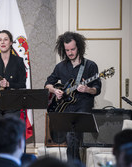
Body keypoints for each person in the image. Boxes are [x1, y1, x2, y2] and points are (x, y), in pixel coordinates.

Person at [45, 31, 101, 161]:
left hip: (83, 108)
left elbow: (96, 89)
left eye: (73, 49)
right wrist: (55, 90)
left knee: (72, 136)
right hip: (66, 109)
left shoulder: (90, 66)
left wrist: (87, 89)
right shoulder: (60, 67)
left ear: (79, 47)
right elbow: (47, 84)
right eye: (67, 50)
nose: (70, 53)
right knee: (70, 139)